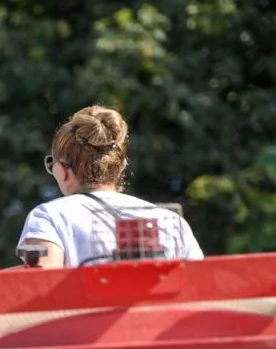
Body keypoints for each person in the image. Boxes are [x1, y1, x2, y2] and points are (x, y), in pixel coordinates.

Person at [17, 105, 203, 268]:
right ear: (121, 167)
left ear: (61, 170)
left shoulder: (49, 216)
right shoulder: (172, 221)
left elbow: (41, 282)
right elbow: (201, 286)